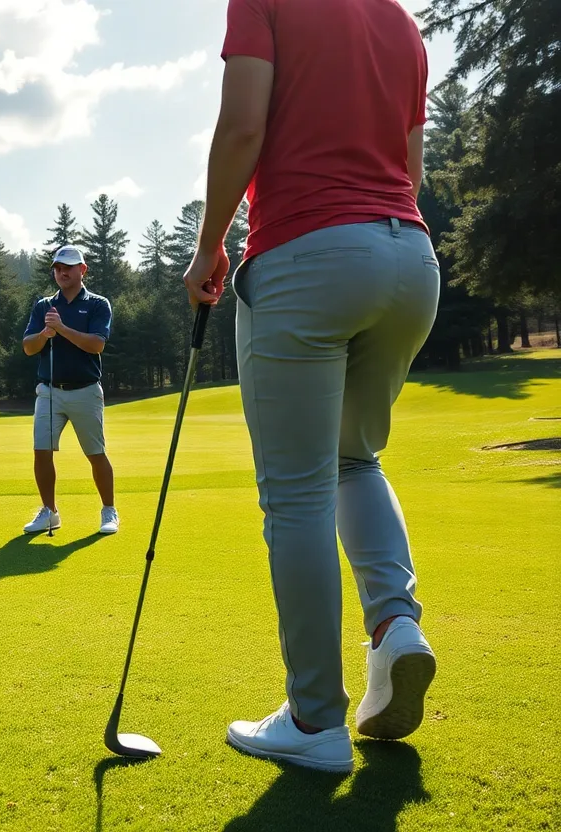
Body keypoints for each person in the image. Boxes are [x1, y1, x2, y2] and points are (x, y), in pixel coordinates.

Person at [184, 0, 441, 772]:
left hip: (307, 255)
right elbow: (410, 169)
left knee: (295, 496)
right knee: (355, 459)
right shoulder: (401, 23)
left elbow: (242, 127)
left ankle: (315, 719)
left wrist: (209, 246)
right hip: (409, 259)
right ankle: (395, 626)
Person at [21, 245, 118, 536]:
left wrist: (61, 329)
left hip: (85, 390)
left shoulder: (98, 304)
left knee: (95, 453)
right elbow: (29, 348)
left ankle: (109, 510)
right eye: (58, 268)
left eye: (68, 267)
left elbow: (96, 344)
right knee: (41, 451)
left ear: (82, 270)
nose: (62, 272)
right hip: (49, 390)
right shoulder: (44, 306)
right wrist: (45, 334)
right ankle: (49, 512)